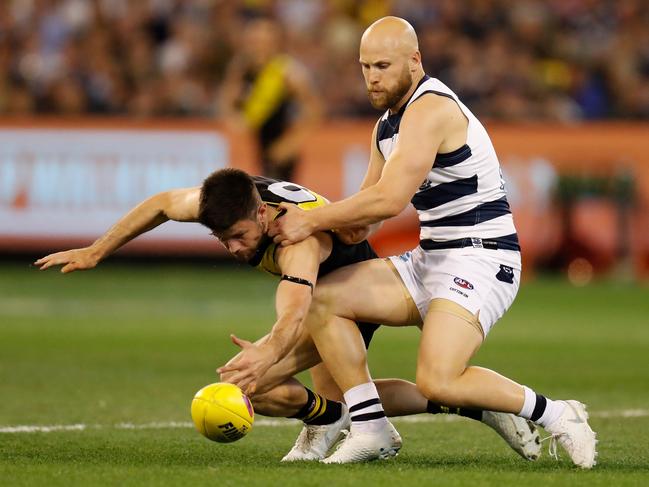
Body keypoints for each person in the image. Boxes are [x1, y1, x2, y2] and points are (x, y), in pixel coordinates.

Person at [260, 17, 598, 467]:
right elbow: (362, 222)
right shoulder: (386, 126)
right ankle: (371, 428)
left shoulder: (431, 107)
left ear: (415, 61)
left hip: (482, 258)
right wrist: (301, 227)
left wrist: (310, 221)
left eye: (382, 65)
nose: (372, 77)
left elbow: (389, 199)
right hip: (431, 257)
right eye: (365, 67)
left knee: (438, 379)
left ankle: (558, 413)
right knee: (325, 299)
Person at [35, 168, 541, 463]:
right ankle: (346, 420)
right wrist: (98, 250)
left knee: (253, 384)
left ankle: (445, 409)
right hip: (318, 303)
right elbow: (162, 204)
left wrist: (268, 353)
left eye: (238, 237)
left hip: (349, 295)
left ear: (260, 214)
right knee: (312, 395)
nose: (233, 249)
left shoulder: (296, 241)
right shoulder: (224, 199)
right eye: (221, 240)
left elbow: (296, 310)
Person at [220, 18, 322, 181]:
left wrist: (291, 143)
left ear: (276, 44)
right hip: (253, 148)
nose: (259, 47)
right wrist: (234, 119)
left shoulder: (288, 72)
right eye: (254, 42)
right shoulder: (243, 69)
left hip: (279, 153)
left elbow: (314, 110)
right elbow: (227, 100)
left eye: (264, 42)